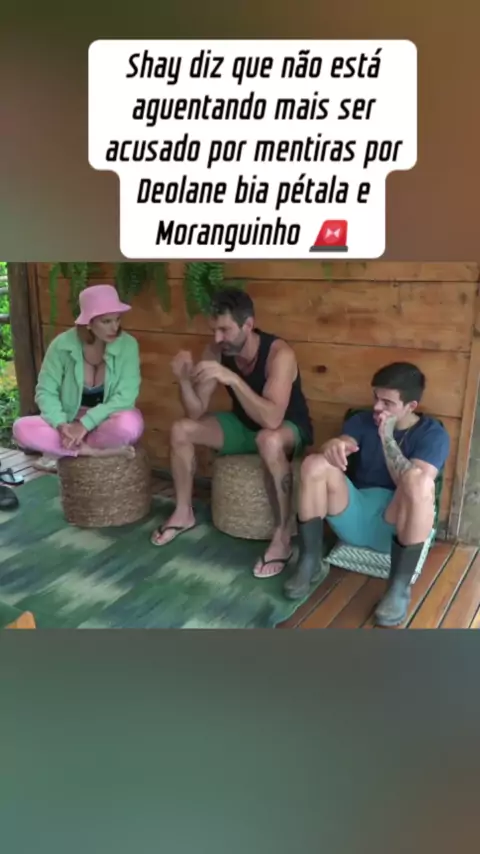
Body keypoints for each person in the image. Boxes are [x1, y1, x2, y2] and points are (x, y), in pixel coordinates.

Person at [151, 287, 313, 577]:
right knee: (181, 430)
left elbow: (272, 418)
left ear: (248, 325)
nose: (217, 338)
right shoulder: (217, 351)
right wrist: (183, 380)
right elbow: (195, 412)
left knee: (268, 439)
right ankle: (183, 512)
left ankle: (282, 535)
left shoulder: (279, 354)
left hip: (287, 428)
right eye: (213, 330)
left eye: (224, 330)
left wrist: (233, 380)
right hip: (243, 424)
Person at [284, 362, 451, 626]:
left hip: (397, 528)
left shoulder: (433, 434)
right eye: (376, 398)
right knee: (314, 464)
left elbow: (412, 483)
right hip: (355, 515)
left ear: (411, 406)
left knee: (419, 483)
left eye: (387, 403)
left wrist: (387, 437)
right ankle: (310, 561)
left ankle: (398, 588)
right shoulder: (361, 421)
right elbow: (344, 444)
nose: (377, 407)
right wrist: (333, 446)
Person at [13, 285, 144, 464]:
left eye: (117, 319)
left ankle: (73, 448)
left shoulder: (128, 345)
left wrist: (85, 424)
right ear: (88, 323)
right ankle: (91, 452)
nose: (115, 327)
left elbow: (126, 397)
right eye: (106, 321)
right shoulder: (61, 345)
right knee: (21, 428)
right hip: (68, 422)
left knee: (129, 425)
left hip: (105, 423)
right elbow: (45, 391)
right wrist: (61, 425)